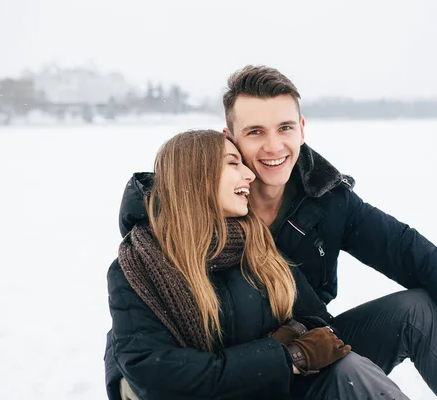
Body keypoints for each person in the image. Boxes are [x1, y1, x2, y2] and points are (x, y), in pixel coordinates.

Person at [112, 66, 437, 400]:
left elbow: (416, 256)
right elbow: (147, 356)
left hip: (302, 354)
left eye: (285, 128)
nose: (274, 147)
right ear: (230, 137)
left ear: (302, 128)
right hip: (223, 372)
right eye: (255, 132)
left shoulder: (324, 202)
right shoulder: (159, 240)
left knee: (412, 312)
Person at [106, 130, 411, 400]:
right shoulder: (139, 266)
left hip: (278, 389)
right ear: (195, 176)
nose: (249, 175)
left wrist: (295, 337)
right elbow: (155, 375)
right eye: (232, 163)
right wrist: (283, 356)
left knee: (352, 366)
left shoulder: (257, 243)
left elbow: (317, 320)